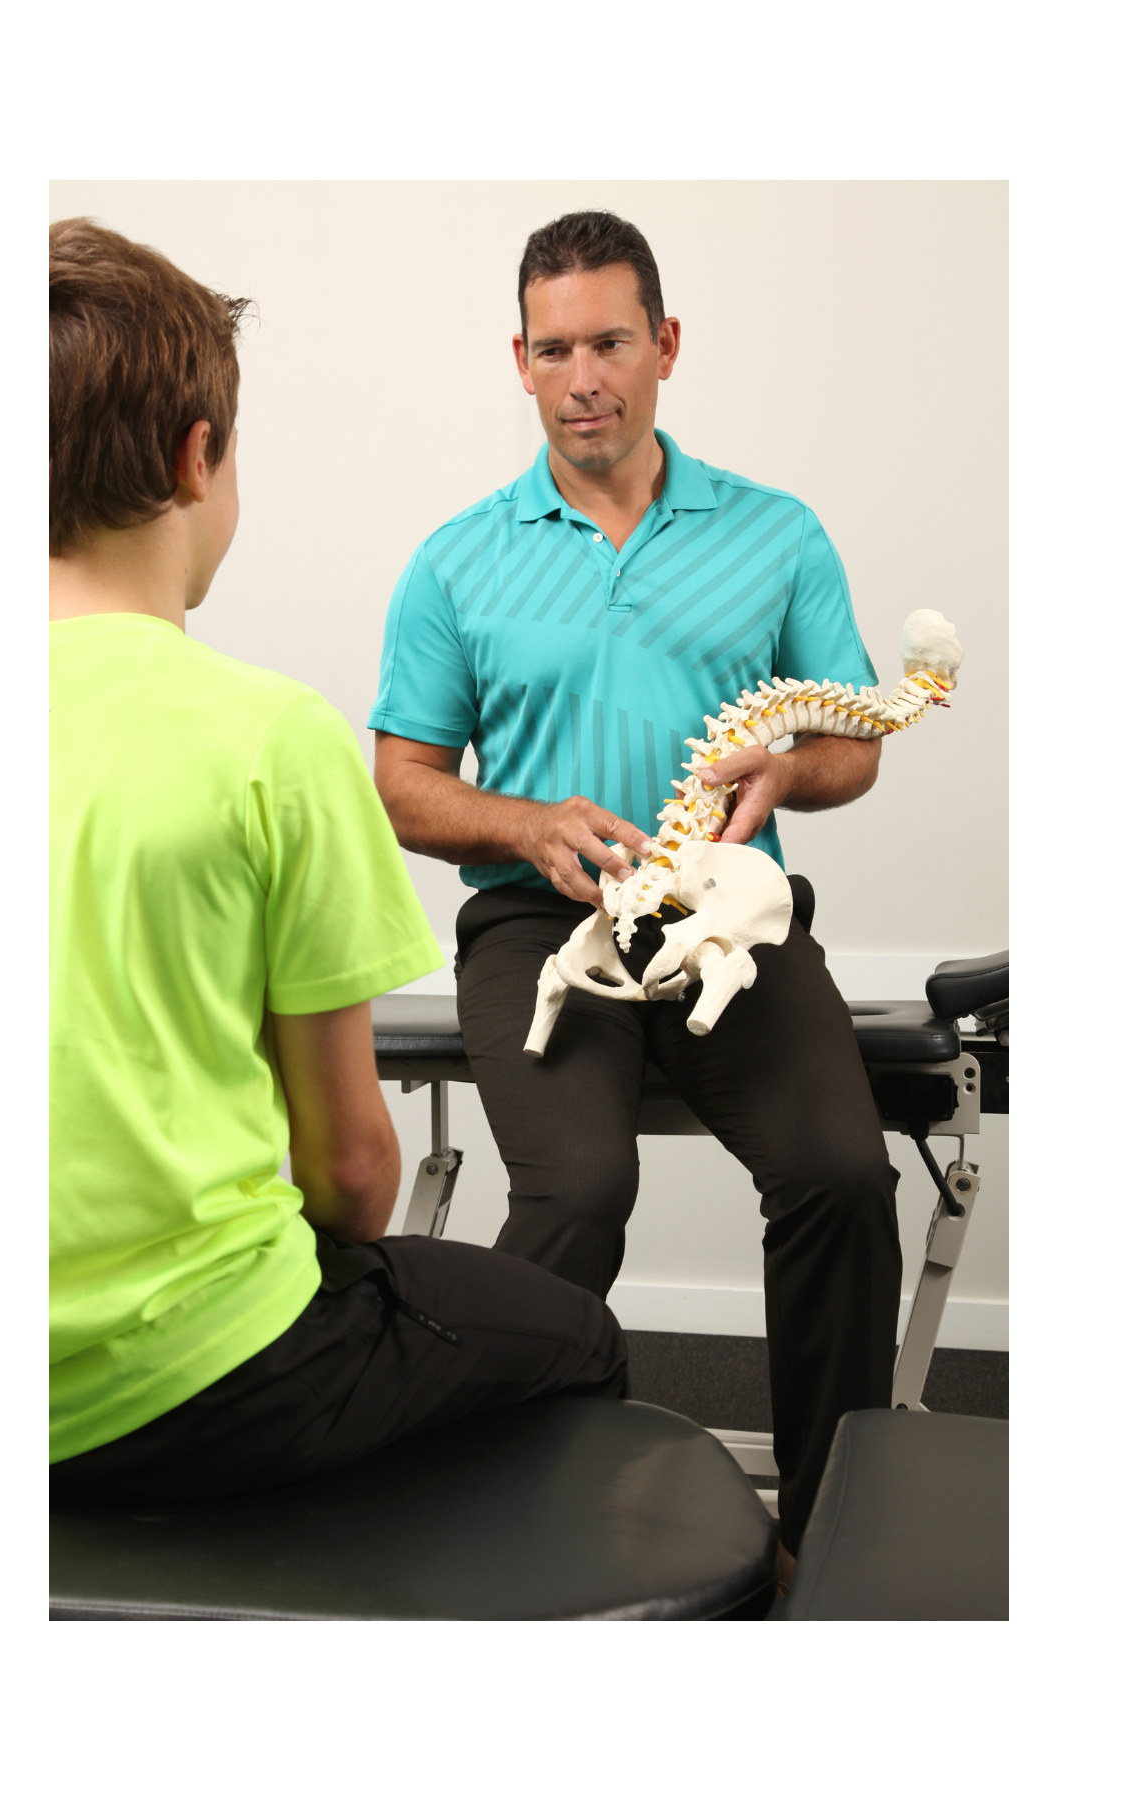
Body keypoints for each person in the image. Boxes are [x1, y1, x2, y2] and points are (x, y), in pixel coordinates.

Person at [49, 219, 625, 1506]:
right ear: (197, 457)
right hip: (201, 1381)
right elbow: (356, 1183)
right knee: (577, 1337)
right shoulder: (269, 737)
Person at [370, 211, 901, 1583]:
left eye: (610, 343)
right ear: (521, 362)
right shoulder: (458, 558)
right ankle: (497, 1525)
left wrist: (788, 771)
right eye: (555, 351)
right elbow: (402, 784)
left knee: (843, 1173)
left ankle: (826, 1540)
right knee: (581, 1189)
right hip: (540, 920)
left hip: (726, 911)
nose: (584, 378)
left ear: (665, 345)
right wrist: (525, 822)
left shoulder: (777, 534)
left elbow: (854, 746)